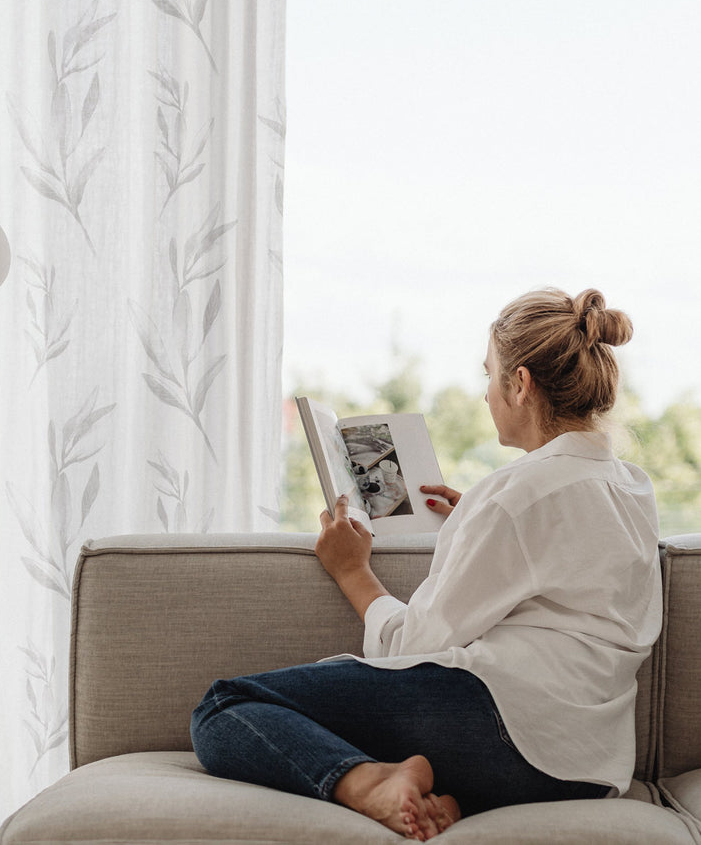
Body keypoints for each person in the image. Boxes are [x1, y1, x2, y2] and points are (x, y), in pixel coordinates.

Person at [191, 288, 662, 840]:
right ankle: (445, 799)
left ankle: (368, 784)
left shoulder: (515, 496)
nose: (485, 394)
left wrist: (352, 571)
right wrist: (479, 524)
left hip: (507, 729)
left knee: (224, 706)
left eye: (488, 375)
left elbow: (412, 645)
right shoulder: (632, 487)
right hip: (586, 770)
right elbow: (567, 571)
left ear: (520, 384)